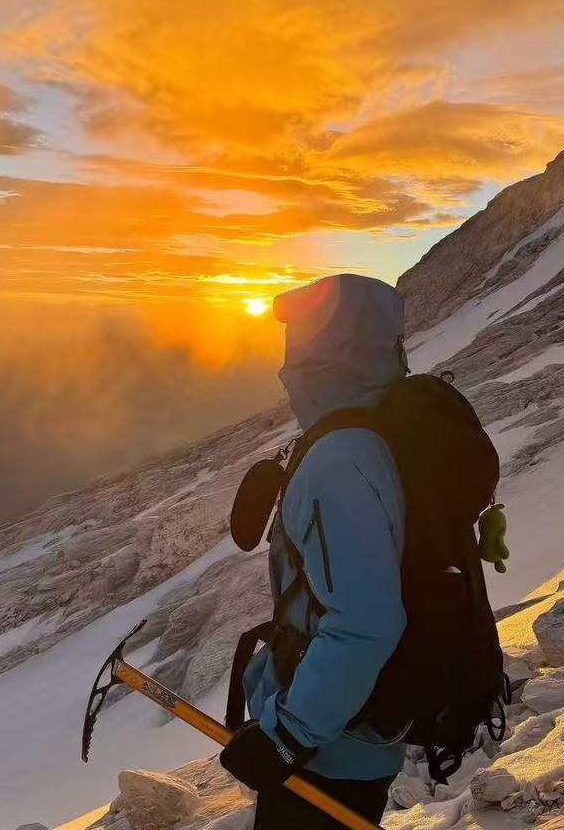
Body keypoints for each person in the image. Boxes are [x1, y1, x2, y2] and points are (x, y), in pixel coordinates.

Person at [220, 273, 409, 828]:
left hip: (331, 748)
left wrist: (288, 736)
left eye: (301, 331)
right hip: (351, 730)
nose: (288, 356)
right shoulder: (372, 434)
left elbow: (367, 621)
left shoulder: (338, 462)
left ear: (330, 349)